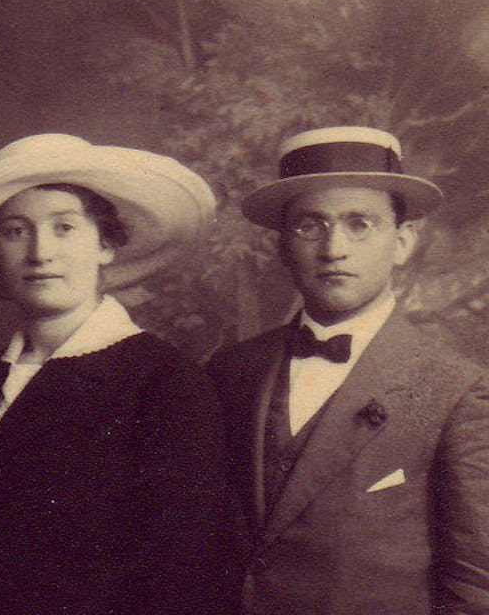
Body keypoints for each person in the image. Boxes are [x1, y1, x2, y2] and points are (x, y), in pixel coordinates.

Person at [0, 133, 240, 614]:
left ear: (106, 244)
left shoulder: (165, 382)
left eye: (64, 228)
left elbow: (183, 575)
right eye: (16, 231)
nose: (40, 252)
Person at [207, 126, 489, 614]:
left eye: (360, 223)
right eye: (309, 225)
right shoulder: (230, 370)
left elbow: (473, 583)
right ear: (281, 248)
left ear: (402, 242)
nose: (333, 248)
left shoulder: (454, 389)